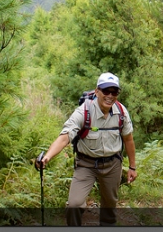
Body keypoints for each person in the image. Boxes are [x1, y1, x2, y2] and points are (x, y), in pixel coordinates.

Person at [35, 72, 137, 226]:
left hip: (112, 164)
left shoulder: (121, 113)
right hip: (86, 164)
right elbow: (65, 137)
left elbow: (128, 139)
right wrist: (48, 157)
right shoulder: (84, 111)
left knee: (109, 207)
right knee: (74, 205)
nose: (110, 95)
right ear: (97, 91)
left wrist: (132, 167)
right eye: (106, 91)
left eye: (114, 92)